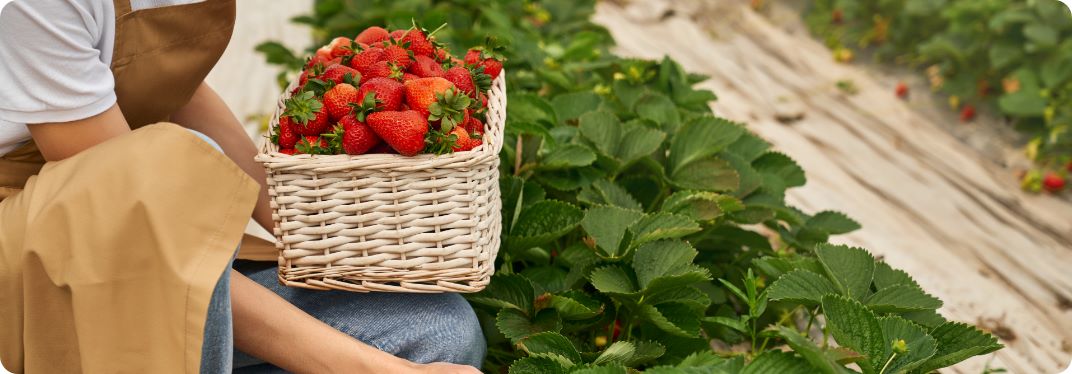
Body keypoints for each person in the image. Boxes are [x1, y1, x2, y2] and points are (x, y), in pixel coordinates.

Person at [0, 1, 485, 373]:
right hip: (43, 259)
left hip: (167, 227)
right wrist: (368, 366)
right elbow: (143, 236)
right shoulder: (43, 9)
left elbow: (177, 88)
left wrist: (310, 231)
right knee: (164, 161)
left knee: (442, 331)